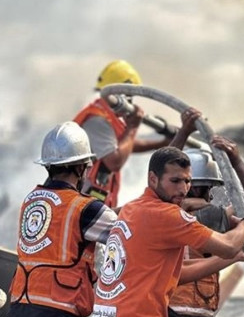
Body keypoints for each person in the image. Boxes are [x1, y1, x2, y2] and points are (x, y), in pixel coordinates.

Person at [90, 146, 244, 317]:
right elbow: (230, 244)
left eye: (187, 181)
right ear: (153, 179)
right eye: (176, 182)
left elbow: (178, 270)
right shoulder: (175, 215)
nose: (183, 189)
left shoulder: (132, 210)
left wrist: (237, 256)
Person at [6, 121, 118, 317]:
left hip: (19, 314)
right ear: (79, 168)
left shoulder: (31, 200)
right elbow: (128, 233)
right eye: (86, 167)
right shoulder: (85, 208)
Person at [168, 121, 244, 317]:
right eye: (209, 189)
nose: (212, 197)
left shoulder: (157, 212)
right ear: (197, 188)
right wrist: (236, 161)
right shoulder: (205, 214)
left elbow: (158, 169)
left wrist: (183, 133)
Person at [73, 60, 171, 208]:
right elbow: (115, 161)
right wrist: (132, 127)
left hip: (92, 202)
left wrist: (162, 143)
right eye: (130, 97)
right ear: (122, 95)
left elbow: (124, 145)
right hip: (83, 204)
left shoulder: (106, 119)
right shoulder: (97, 120)